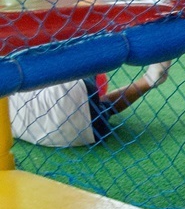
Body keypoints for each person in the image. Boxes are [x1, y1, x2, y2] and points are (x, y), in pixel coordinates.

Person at [8, 61, 172, 147]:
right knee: (82, 45)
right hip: (71, 95)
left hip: (90, 131)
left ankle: (149, 80)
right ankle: (150, 78)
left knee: (100, 108)